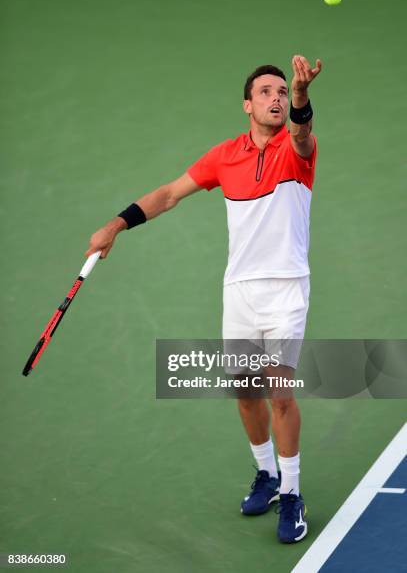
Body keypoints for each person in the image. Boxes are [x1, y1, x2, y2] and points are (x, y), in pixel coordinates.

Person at [86, 55, 322, 544]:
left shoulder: (298, 150)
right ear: (246, 104)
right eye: (266, 92)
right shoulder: (224, 156)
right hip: (239, 290)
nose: (276, 98)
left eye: (282, 91)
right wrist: (117, 225)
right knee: (245, 390)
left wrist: (302, 96)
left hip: (286, 288)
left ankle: (293, 494)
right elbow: (171, 193)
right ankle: (267, 474)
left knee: (280, 393)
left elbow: (302, 133)